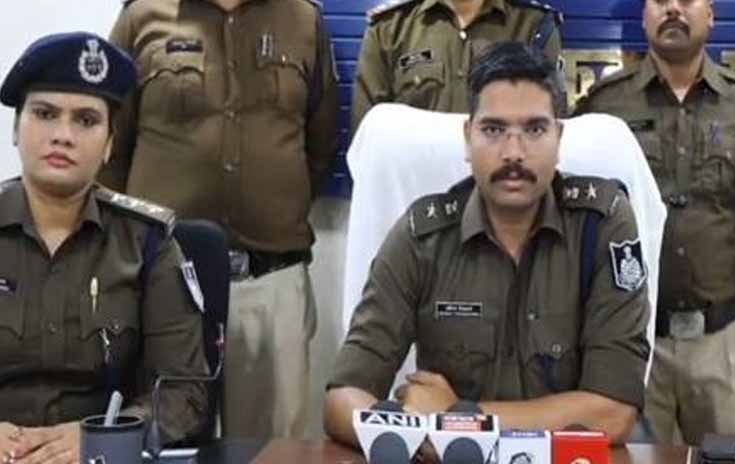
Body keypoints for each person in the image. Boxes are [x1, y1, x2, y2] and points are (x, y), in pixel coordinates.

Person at [325, 42, 650, 446]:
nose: (513, 153)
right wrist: (413, 436)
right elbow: (343, 397)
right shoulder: (421, 236)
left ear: (558, 138)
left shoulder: (602, 225)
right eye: (493, 130)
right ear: (468, 138)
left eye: (535, 129)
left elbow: (613, 414)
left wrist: (458, 419)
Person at [101, 0, 339, 438]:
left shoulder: (303, 19)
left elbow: (320, 142)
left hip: (269, 284)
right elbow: (110, 143)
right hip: (164, 288)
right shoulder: (142, 17)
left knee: (272, 450)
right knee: (160, 438)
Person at [575, 0, 735, 445]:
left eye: (688, 0)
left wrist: (723, 270)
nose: (673, 8)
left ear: (710, 15)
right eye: (659, 1)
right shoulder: (605, 103)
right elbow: (580, 212)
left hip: (722, 339)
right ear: (643, 17)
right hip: (630, 341)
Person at [0, 32, 208, 462]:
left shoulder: (148, 244)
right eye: (45, 114)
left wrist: (106, 438)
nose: (63, 135)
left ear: (110, 143)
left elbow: (184, 393)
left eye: (86, 120)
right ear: (16, 129)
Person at [351, 0, 564, 131]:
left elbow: (550, 127)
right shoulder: (389, 29)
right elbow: (366, 134)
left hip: (503, 185)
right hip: (414, 187)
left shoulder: (533, 26)